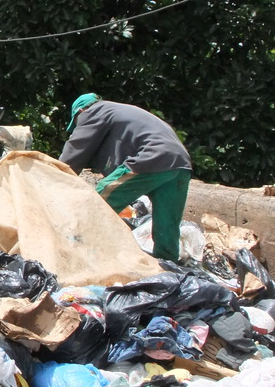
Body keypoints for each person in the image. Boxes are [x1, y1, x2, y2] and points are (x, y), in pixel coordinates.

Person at [59, 93, 192, 262]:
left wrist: (55, 179)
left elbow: (73, 154)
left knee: (103, 195)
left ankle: (77, 250)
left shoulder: (94, 111)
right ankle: (169, 266)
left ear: (81, 111)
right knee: (167, 225)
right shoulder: (121, 112)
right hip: (181, 164)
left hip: (153, 157)